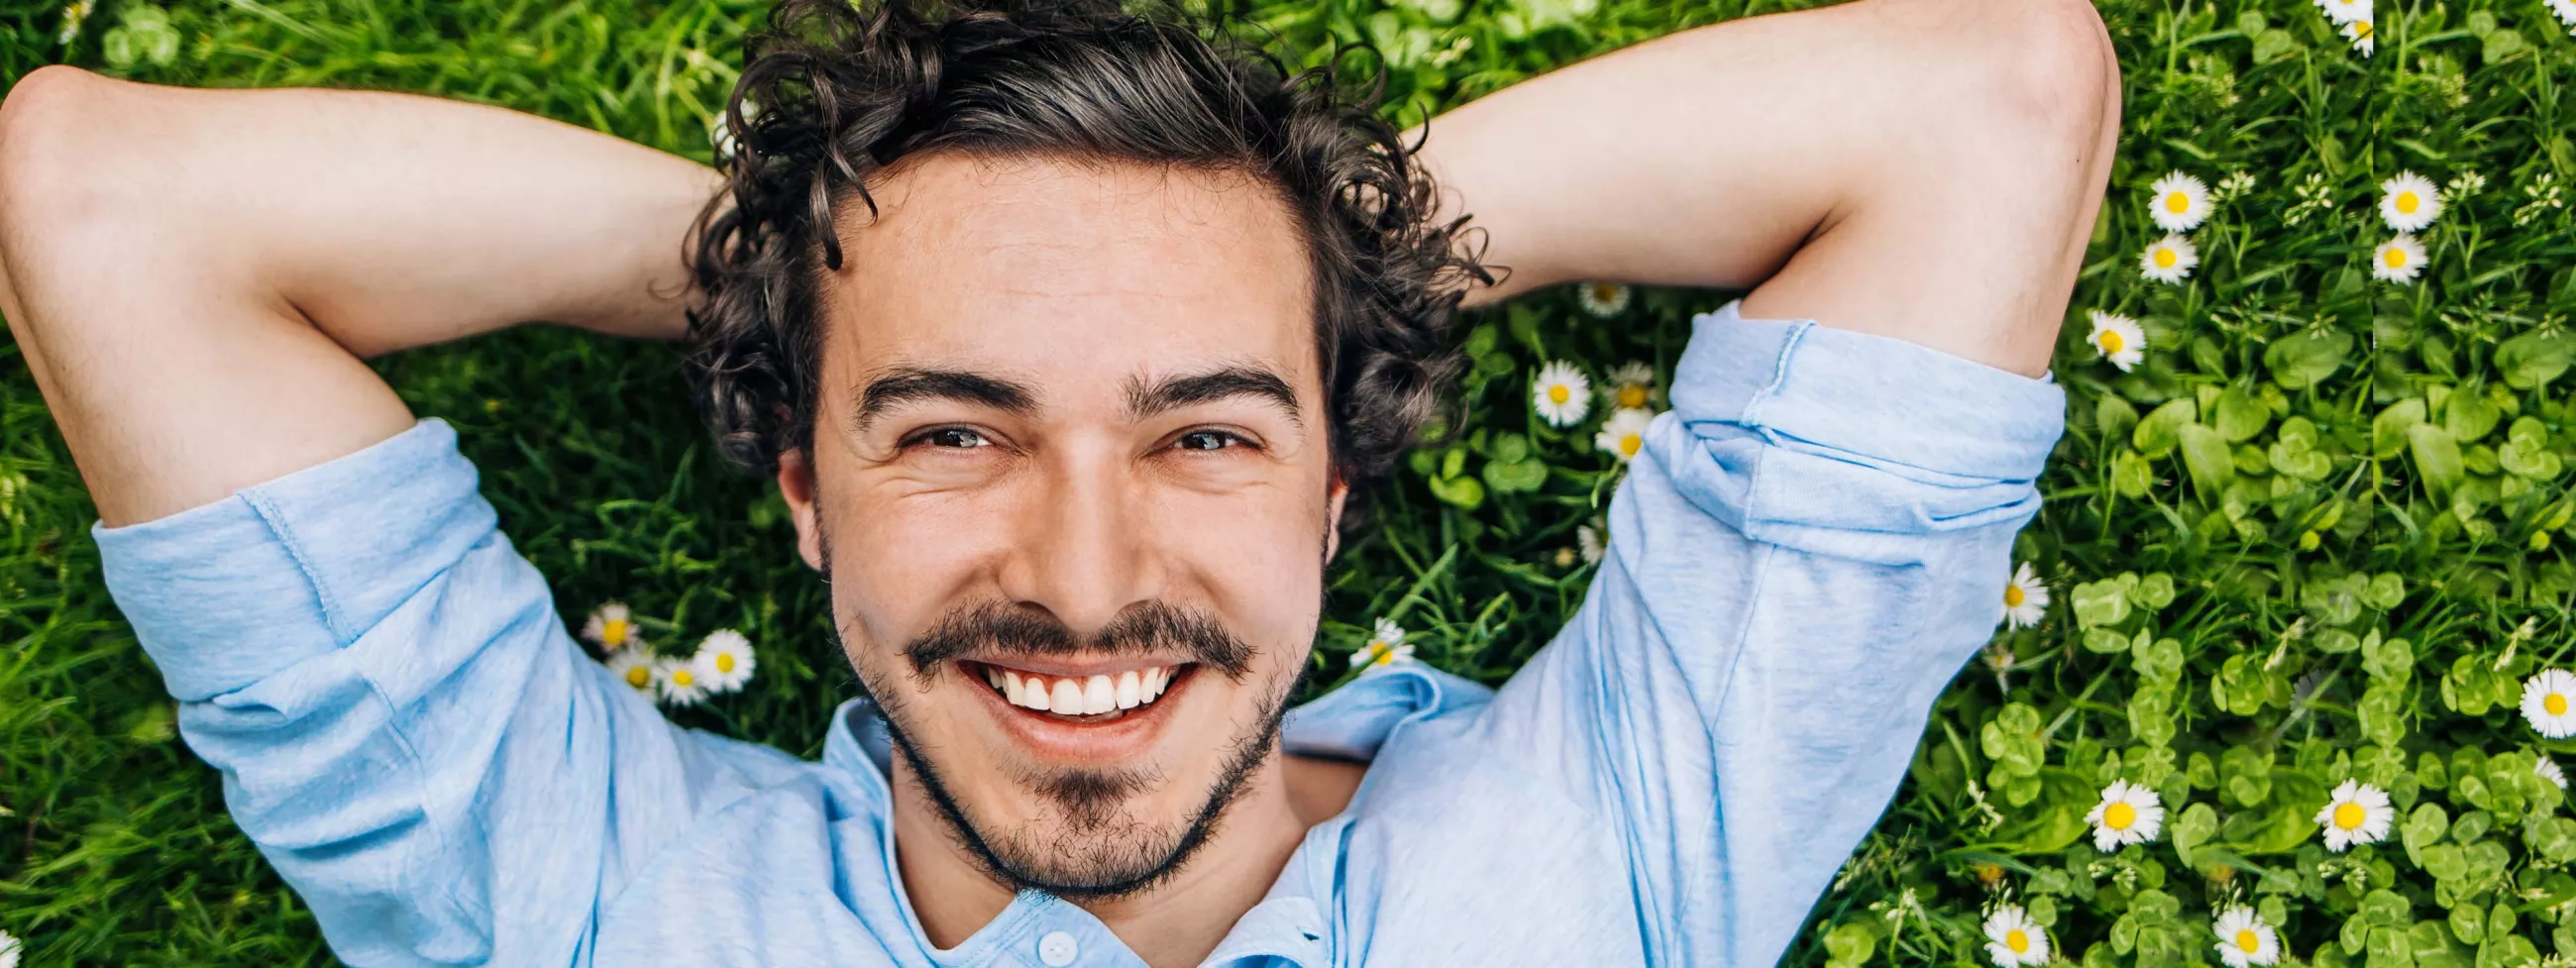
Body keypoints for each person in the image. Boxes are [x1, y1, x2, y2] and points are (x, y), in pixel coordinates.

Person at [0, 0, 2114, 962]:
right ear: (803, 485)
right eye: (947, 429)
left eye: (1208, 431)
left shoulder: (1627, 840)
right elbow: (101, 204)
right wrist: (804, 274)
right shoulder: (572, 893)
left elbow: (1984, 99)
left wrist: (1319, 257)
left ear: (1334, 491)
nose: (1086, 578)